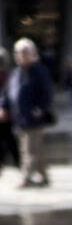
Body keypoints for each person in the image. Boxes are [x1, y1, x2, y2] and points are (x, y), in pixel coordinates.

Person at [0, 38, 53, 188]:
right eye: (17, 52)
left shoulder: (39, 71)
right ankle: (44, 175)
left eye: (23, 52)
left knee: (28, 149)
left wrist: (41, 108)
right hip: (20, 117)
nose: (19, 55)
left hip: (34, 117)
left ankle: (26, 177)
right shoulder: (16, 73)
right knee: (36, 149)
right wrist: (3, 107)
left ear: (32, 53)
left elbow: (47, 93)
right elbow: (7, 93)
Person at [0, 48, 21, 174]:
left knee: (8, 138)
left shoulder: (6, 76)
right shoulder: (9, 75)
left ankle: (17, 163)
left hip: (5, 113)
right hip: (6, 112)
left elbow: (6, 94)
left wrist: (3, 108)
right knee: (8, 138)